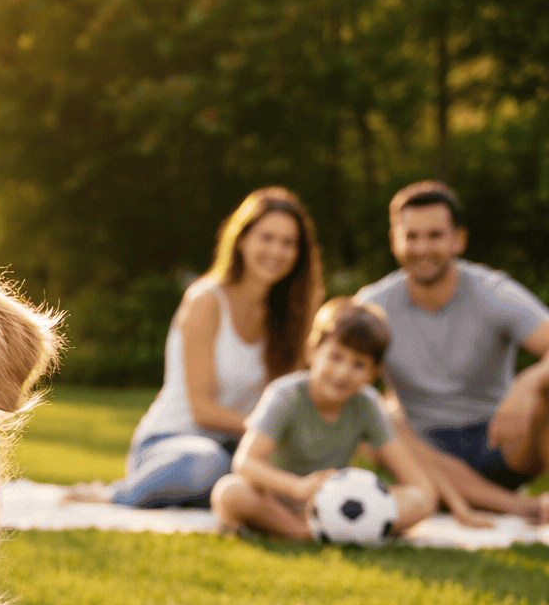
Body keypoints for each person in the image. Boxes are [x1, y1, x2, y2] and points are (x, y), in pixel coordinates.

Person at [65, 187, 323, 507]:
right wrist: (271, 428)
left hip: (239, 448)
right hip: (174, 446)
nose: (277, 251)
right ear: (242, 240)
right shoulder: (206, 300)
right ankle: (115, 494)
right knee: (209, 464)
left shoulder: (291, 317)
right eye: (267, 238)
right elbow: (202, 410)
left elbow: (287, 396)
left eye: (289, 243)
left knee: (289, 474)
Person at [356, 181, 549, 524]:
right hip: (424, 452)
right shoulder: (373, 306)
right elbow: (329, 371)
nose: (422, 247)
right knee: (372, 417)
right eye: (410, 236)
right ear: (394, 241)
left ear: (458, 239)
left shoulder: (494, 293)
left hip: (500, 444)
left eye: (434, 235)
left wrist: (529, 381)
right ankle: (520, 508)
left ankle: (490, 498)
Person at [211, 299, 436, 540]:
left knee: (420, 501)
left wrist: (369, 497)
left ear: (373, 374)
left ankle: (337, 527)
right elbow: (245, 463)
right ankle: (305, 532)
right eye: (335, 357)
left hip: (337, 503)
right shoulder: (286, 394)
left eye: (359, 365)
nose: (343, 373)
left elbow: (419, 485)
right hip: (277, 499)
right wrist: (298, 488)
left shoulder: (367, 404)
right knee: (230, 492)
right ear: (313, 351)